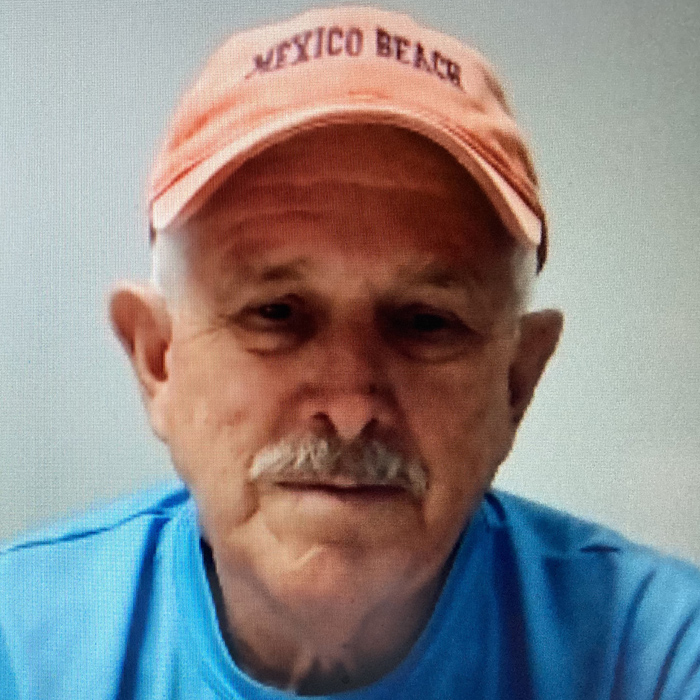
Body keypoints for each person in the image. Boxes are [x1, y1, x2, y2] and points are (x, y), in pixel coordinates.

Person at [1, 6, 698, 699]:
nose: (350, 405)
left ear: (517, 382)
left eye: (425, 322)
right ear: (158, 361)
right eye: (276, 314)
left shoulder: (656, 653)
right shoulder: (22, 644)